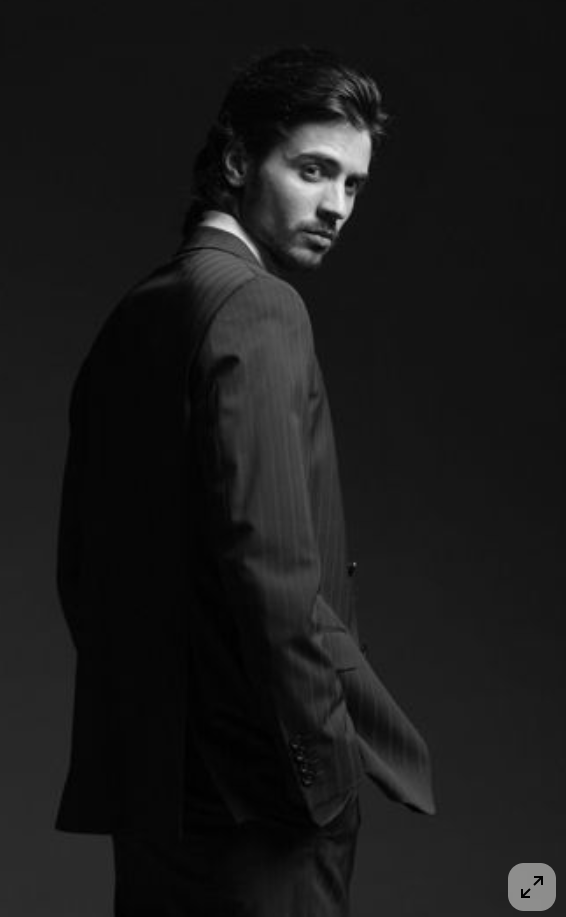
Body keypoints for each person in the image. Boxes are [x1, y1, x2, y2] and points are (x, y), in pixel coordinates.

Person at [54, 46, 435, 916]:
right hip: (261, 804)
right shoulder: (259, 306)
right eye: (313, 170)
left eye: (353, 184)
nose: (337, 206)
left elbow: (85, 566)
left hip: (156, 792)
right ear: (236, 161)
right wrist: (321, 772)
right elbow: (271, 570)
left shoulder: (139, 312)